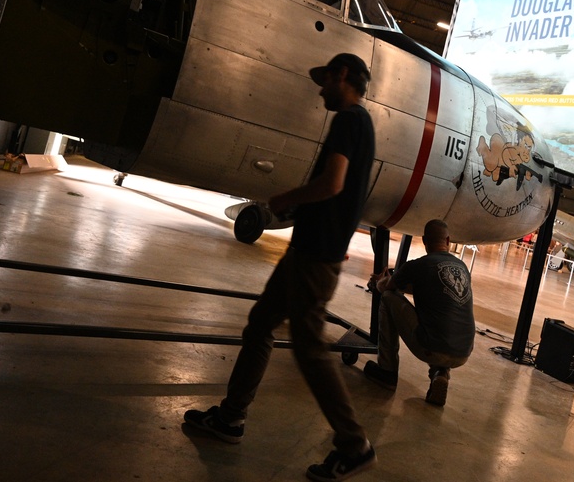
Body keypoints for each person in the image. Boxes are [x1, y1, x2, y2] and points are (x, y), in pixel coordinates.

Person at [183, 53, 377, 482]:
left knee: (310, 350)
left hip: (314, 257)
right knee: (259, 326)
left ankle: (354, 444)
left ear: (341, 75)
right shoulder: (361, 124)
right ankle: (231, 418)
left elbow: (334, 184)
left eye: (324, 80)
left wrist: (286, 199)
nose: (320, 89)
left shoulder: (349, 121)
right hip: (310, 252)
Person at [363, 219, 475, 406]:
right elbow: (433, 290)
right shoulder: (462, 268)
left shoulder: (417, 265)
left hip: (431, 348)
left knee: (389, 298)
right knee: (440, 317)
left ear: (424, 241)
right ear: (448, 241)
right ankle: (440, 373)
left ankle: (387, 372)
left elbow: (386, 287)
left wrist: (379, 281)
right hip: (463, 350)